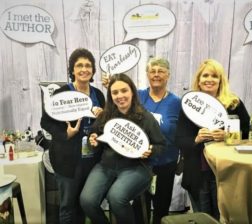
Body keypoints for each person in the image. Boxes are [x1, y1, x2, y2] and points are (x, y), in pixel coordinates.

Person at [102, 57, 181, 224]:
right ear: (147, 74)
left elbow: (181, 132)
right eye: (152, 71)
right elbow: (119, 101)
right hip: (139, 164)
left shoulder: (177, 103)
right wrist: (111, 86)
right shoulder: (137, 96)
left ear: (168, 75)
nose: (156, 74)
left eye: (161, 71)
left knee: (162, 206)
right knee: (139, 207)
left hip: (166, 162)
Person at [80, 73, 166, 224]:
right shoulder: (106, 115)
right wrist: (93, 139)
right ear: (111, 95)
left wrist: (150, 150)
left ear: (132, 91)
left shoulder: (146, 118)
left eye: (124, 90)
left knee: (116, 198)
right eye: (115, 92)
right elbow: (94, 134)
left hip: (136, 167)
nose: (120, 96)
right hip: (106, 165)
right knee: (87, 201)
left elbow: (161, 146)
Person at [175, 59, 250, 219]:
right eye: (205, 75)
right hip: (197, 173)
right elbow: (180, 140)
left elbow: (248, 133)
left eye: (214, 76)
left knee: (223, 216)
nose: (209, 79)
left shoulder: (233, 103)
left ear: (220, 80)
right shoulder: (189, 105)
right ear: (199, 80)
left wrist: (228, 135)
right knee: (202, 217)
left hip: (226, 173)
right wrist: (196, 139)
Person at [40, 48, 105, 224]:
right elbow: (46, 122)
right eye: (79, 65)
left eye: (88, 65)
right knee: (68, 206)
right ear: (72, 69)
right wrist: (65, 134)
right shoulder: (62, 93)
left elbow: (104, 126)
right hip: (67, 161)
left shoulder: (98, 94)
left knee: (84, 203)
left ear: (92, 70)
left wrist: (101, 118)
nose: (84, 69)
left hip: (92, 160)